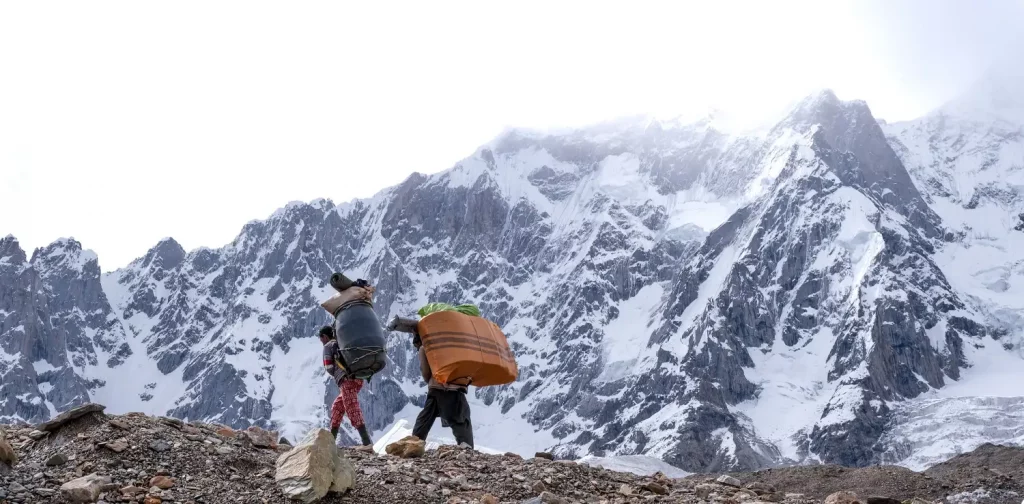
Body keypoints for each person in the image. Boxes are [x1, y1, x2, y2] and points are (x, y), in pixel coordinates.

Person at [319, 285, 374, 446]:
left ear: (324, 336)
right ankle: (331, 440)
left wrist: (336, 373)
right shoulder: (342, 343)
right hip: (357, 377)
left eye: (321, 338)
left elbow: (329, 367)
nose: (321, 341)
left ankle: (366, 443)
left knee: (352, 409)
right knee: (338, 407)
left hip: (346, 379)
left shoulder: (328, 346)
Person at [411, 340, 474, 448]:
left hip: (436, 388)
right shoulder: (457, 344)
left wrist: (431, 381)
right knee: (460, 417)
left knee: (426, 418)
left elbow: (425, 370)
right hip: (456, 386)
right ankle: (467, 447)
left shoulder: (425, 347)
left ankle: (414, 444)